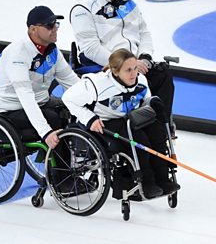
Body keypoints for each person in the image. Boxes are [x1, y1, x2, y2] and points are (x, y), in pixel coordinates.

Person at [62, 48, 180, 198]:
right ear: (115, 72)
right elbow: (68, 98)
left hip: (132, 118)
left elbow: (145, 102)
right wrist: (90, 119)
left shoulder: (141, 81)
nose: (133, 74)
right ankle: (147, 183)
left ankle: (163, 179)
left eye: (135, 68)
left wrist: (152, 103)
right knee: (140, 140)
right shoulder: (97, 84)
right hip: (106, 121)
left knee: (157, 134)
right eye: (128, 70)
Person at [69, 0, 176, 137]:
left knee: (163, 74)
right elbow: (91, 49)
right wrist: (125, 64)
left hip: (133, 64)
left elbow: (144, 33)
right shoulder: (82, 8)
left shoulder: (129, 3)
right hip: (107, 68)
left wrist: (145, 58)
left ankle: (160, 128)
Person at [0, 6, 81, 192]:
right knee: (53, 120)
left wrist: (97, 103)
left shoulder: (52, 51)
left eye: (56, 24)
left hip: (40, 100)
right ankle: (63, 181)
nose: (55, 29)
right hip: (9, 108)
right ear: (33, 29)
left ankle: (69, 168)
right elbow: (26, 99)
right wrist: (46, 133)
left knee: (67, 110)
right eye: (49, 25)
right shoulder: (18, 55)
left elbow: (73, 83)